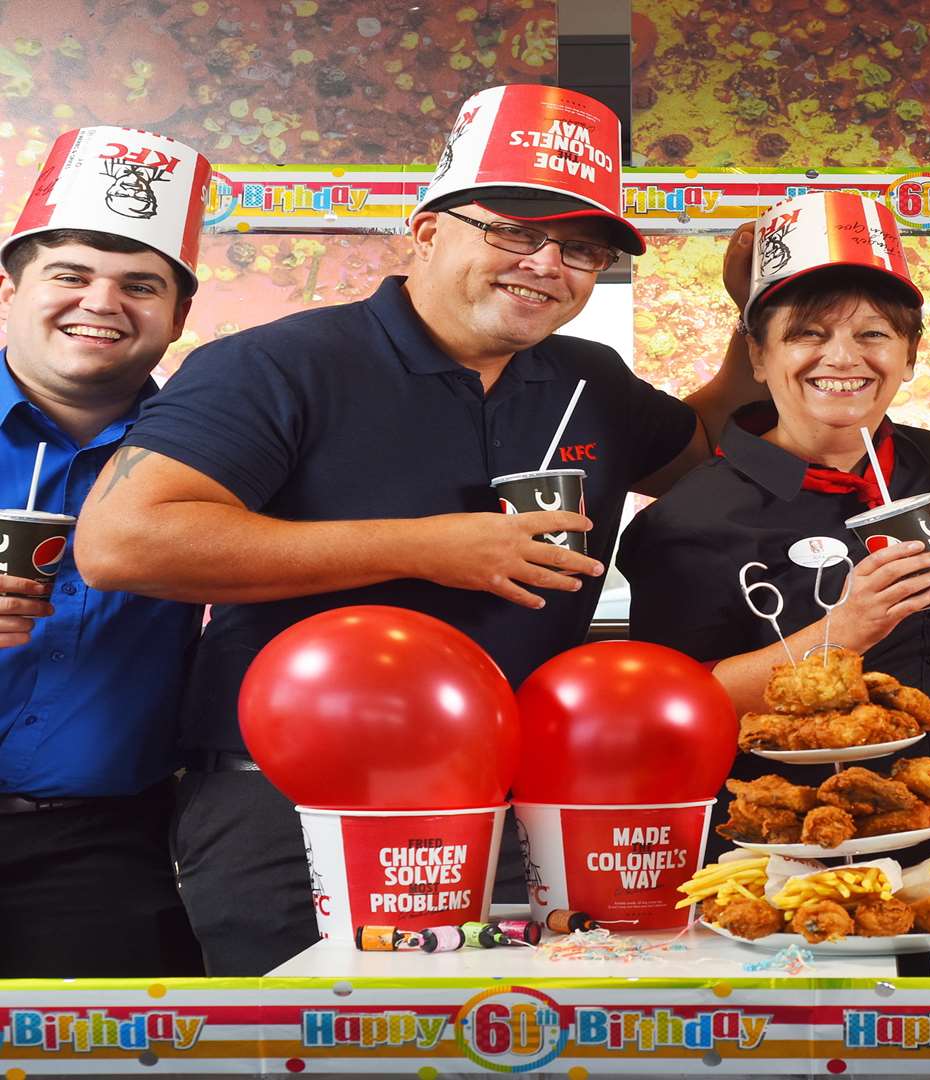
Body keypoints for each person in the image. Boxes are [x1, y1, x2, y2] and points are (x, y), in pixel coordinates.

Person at [73, 86, 760, 976]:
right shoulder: (280, 364)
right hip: (294, 812)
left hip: (519, 813)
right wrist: (432, 545)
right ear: (427, 232)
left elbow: (715, 451)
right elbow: (123, 541)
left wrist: (764, 305)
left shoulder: (589, 379)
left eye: (581, 248)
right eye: (513, 229)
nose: (547, 263)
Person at [620, 191, 930, 866]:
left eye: (873, 334)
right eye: (808, 333)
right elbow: (671, 714)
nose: (843, 358)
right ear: (757, 356)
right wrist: (842, 633)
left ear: (910, 353)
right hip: (806, 858)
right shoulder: (691, 519)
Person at [0, 127, 211, 977]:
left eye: (140, 285)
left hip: (111, 850)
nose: (101, 302)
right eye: (70, 274)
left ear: (179, 316)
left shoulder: (217, 449)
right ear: (7, 290)